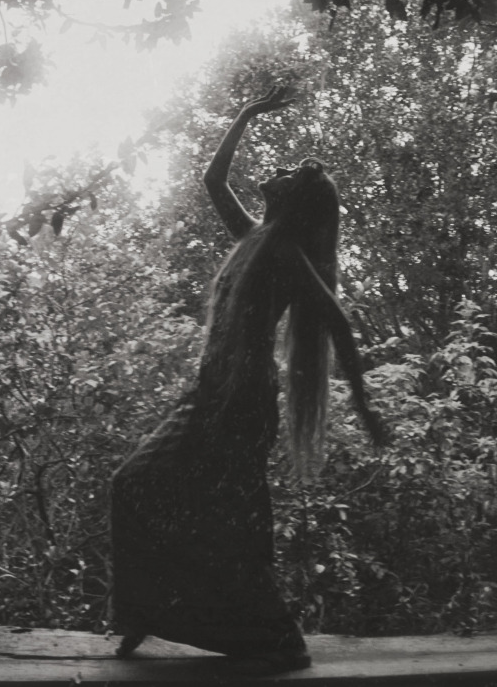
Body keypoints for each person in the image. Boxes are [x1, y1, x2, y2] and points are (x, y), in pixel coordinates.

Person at [109, 87, 387, 673]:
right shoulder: (253, 236)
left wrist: (364, 407)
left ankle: (274, 638)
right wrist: (246, 114)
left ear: (294, 199)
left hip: (241, 403)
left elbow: (336, 321)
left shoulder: (285, 252)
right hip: (210, 395)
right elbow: (213, 180)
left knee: (224, 520)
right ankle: (151, 611)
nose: (278, 171)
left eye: (289, 173)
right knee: (140, 486)